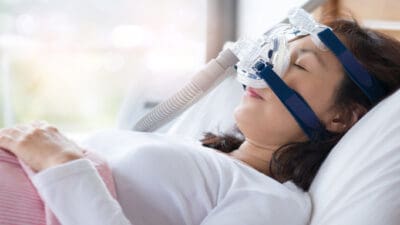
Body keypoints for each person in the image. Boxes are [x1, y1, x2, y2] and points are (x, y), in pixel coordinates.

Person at [1, 15, 400, 225]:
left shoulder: (273, 203)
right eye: (275, 53)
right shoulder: (196, 149)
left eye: (298, 65)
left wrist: (62, 164)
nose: (265, 69)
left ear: (342, 117)